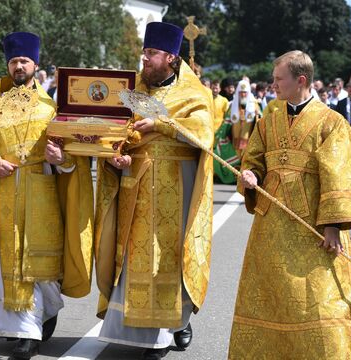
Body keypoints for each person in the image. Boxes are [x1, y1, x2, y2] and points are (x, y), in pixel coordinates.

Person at [0, 31, 94, 360]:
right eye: (13, 61)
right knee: (6, 261)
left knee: (42, 262)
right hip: (6, 191)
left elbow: (72, 153)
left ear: (35, 64)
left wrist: (63, 161)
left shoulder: (51, 106)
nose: (18, 66)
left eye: (24, 61)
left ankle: (45, 312)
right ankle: (25, 332)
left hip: (42, 189)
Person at [230, 50, 351, 359]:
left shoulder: (333, 124)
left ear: (301, 80)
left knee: (319, 305)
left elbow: (339, 178)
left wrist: (332, 227)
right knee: (268, 297)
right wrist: (250, 176)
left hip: (314, 232)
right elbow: (254, 160)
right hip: (270, 230)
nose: (273, 84)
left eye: (279, 79)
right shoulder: (269, 117)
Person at [94, 22, 214, 360]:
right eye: (144, 53)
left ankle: (175, 324)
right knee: (135, 257)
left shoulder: (194, 93)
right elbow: (111, 133)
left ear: (171, 57)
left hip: (178, 185)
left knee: (170, 257)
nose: (144, 59)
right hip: (135, 185)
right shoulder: (131, 90)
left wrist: (163, 124)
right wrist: (114, 157)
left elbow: (204, 135)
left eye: (151, 54)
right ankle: (148, 330)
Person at [229, 79, 260, 156]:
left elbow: (259, 119)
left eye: (245, 93)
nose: (243, 95)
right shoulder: (232, 105)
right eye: (241, 92)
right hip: (235, 137)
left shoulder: (254, 104)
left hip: (248, 136)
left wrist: (257, 114)